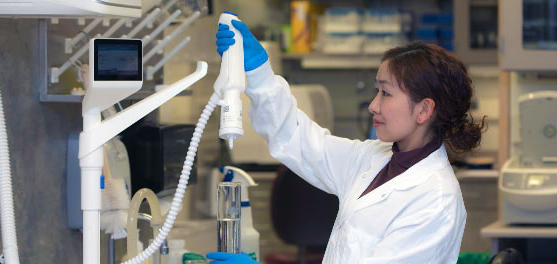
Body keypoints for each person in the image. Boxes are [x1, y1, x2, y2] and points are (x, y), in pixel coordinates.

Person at [207, 18, 485, 264]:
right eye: (377, 91)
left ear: (424, 109)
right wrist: (259, 72)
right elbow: (298, 139)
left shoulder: (435, 201)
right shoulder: (373, 159)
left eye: (385, 94)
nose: (373, 106)